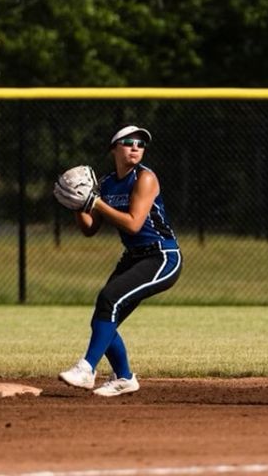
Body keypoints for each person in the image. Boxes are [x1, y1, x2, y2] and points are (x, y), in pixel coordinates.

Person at [58, 125, 182, 397]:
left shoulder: (145, 178)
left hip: (161, 256)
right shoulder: (106, 183)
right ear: (114, 148)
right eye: (128, 142)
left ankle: (87, 368)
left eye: (140, 143)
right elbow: (90, 229)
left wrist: (96, 202)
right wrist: (78, 206)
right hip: (134, 257)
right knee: (104, 315)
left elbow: (134, 224)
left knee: (108, 299)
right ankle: (124, 377)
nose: (136, 147)